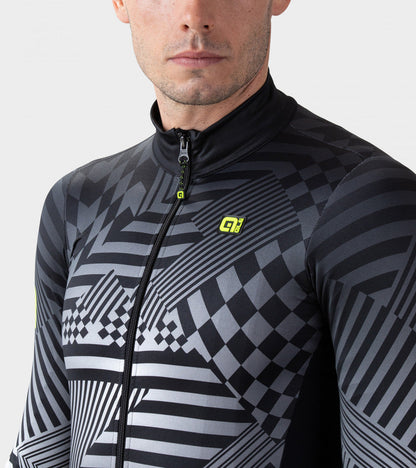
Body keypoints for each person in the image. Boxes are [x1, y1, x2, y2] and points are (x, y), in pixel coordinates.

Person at [8, 0, 416, 466]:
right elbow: (40, 449)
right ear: (120, 3)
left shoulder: (360, 201)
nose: (194, 14)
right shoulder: (79, 203)